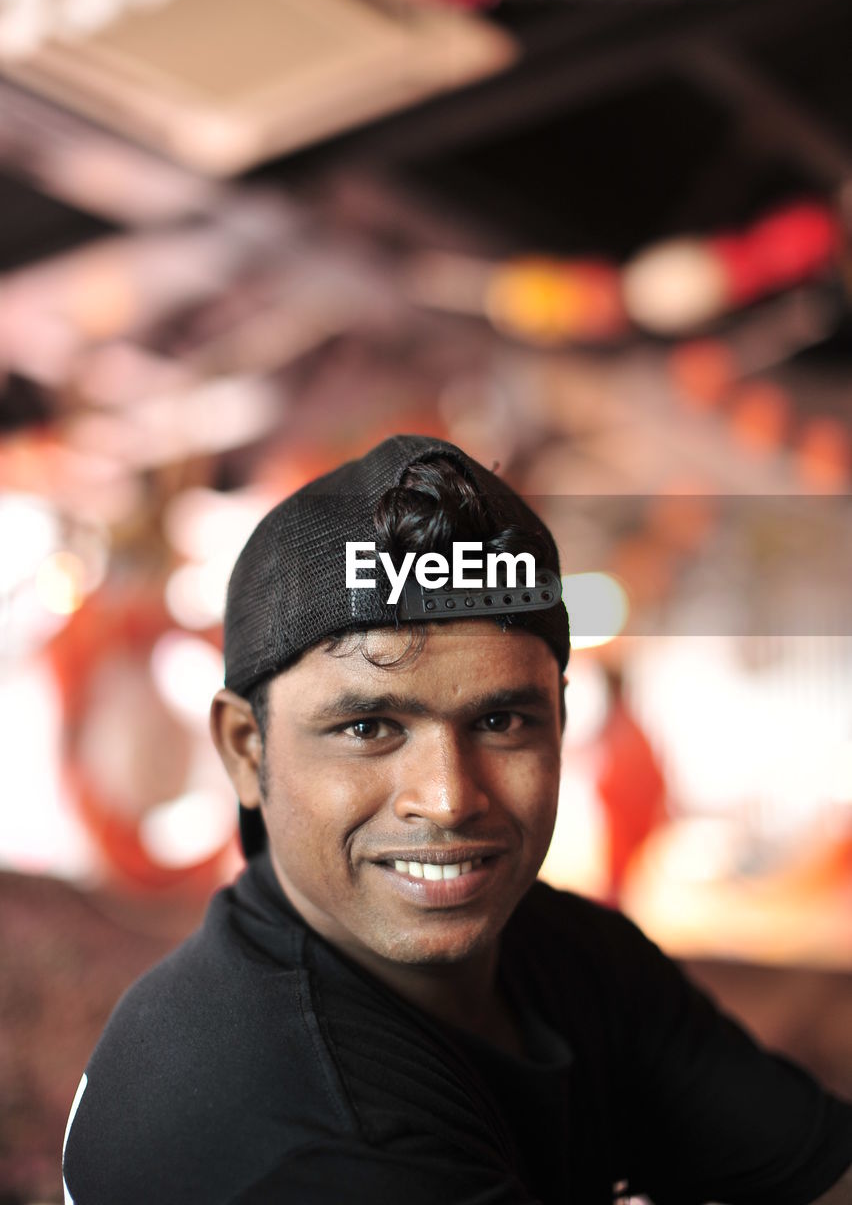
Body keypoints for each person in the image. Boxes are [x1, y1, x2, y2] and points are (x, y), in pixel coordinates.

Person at [62, 435, 852, 1204]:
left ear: (561, 722)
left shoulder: (564, 954)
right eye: (368, 728)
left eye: (502, 721)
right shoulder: (312, 1133)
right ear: (245, 749)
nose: (447, 798)